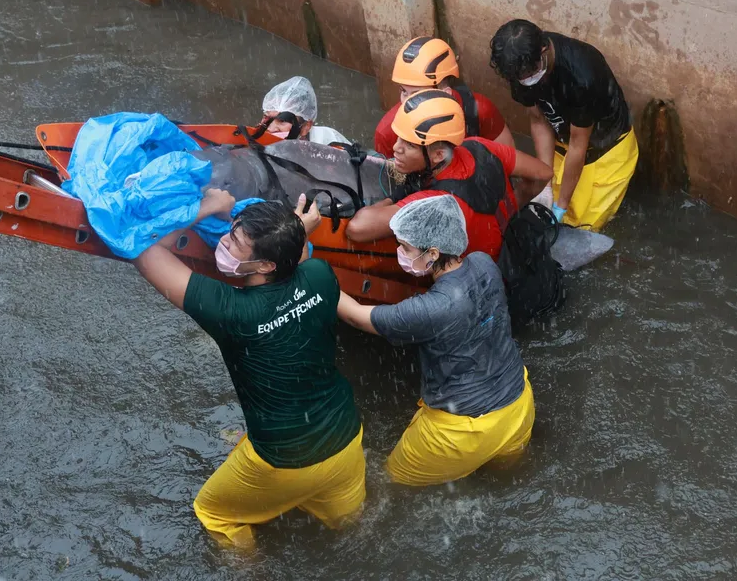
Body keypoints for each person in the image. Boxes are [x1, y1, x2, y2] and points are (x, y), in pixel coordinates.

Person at [132, 190, 365, 549]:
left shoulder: (232, 313)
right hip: (346, 439)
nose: (224, 240)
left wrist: (208, 207)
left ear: (265, 265)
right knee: (349, 531)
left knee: (214, 514)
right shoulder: (320, 275)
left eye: (235, 241)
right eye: (231, 230)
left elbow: (144, 250)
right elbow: (296, 257)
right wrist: (293, 230)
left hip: (283, 459)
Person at [338, 195, 535, 486]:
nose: (398, 252)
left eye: (404, 247)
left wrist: (315, 276)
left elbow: (356, 316)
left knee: (390, 483)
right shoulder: (483, 263)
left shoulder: (433, 309)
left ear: (432, 253)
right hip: (518, 405)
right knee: (507, 482)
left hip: (460, 434)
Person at [346, 89, 554, 261]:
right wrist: (513, 205)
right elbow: (543, 173)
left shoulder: (435, 202)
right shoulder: (479, 145)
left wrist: (397, 197)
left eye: (408, 145)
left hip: (479, 278)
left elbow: (357, 228)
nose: (394, 148)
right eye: (399, 138)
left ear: (437, 154)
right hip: (504, 249)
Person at [489, 20, 639, 230]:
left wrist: (561, 207)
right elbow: (538, 120)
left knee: (581, 226)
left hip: (606, 151)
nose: (526, 81)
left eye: (530, 75)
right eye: (520, 79)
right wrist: (545, 183)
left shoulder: (582, 75)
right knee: (535, 212)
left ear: (544, 50)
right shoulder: (520, 68)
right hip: (564, 141)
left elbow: (579, 144)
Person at [373, 37, 515, 156]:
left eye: (417, 95)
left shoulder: (479, 111)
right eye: (403, 91)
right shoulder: (388, 133)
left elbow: (509, 161)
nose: (407, 102)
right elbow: (388, 185)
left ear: (446, 94)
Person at [259, 76, 351, 146]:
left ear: (306, 127)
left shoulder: (329, 142)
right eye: (267, 117)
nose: (270, 129)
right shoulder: (255, 138)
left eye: (282, 121)